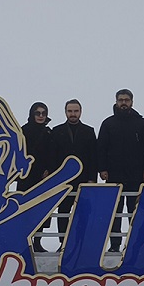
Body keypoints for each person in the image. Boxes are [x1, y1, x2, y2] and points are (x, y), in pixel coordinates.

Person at [97, 89, 144, 254]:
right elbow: (101, 148)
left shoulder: (141, 124)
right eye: (121, 100)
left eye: (126, 100)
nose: (123, 103)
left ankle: (135, 244)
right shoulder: (108, 123)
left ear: (132, 102)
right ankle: (115, 244)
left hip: (136, 175)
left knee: (135, 212)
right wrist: (102, 169)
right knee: (115, 211)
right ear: (116, 102)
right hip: (114, 174)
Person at [51, 100, 97, 243]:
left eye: (75, 111)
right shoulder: (57, 131)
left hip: (83, 179)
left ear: (80, 112)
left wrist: (91, 179)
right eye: (70, 111)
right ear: (65, 112)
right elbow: (52, 157)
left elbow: (93, 157)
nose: (73, 114)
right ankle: (62, 243)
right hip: (63, 180)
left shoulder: (89, 131)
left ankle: (80, 242)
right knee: (63, 212)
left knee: (82, 213)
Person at [20, 102, 60, 252]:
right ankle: (25, 243)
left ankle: (38, 242)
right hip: (26, 177)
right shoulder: (22, 132)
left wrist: (50, 169)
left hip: (43, 178)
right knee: (25, 211)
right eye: (38, 113)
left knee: (42, 211)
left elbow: (53, 154)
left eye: (44, 113)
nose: (41, 116)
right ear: (32, 114)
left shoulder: (49, 133)